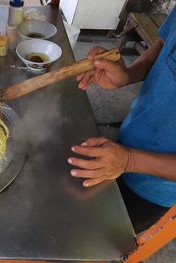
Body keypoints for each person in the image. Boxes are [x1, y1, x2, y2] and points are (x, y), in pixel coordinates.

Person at [68, 7, 176, 232]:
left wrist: (128, 161)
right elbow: (165, 46)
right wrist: (128, 75)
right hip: (127, 139)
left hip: (151, 188)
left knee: (91, 238)